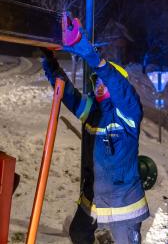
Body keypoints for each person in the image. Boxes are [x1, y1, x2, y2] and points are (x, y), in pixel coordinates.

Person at [41, 30, 149, 244]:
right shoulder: (92, 111)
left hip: (123, 202)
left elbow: (118, 86)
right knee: (79, 233)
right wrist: (50, 63)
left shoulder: (128, 111)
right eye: (96, 82)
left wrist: (96, 61)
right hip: (93, 196)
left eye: (103, 82)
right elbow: (67, 93)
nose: (98, 85)